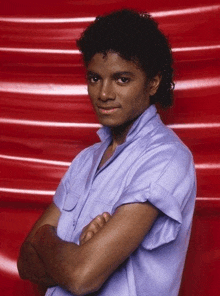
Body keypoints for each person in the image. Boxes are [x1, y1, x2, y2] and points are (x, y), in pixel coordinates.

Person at [17, 9, 196, 296]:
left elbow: (82, 277)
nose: (104, 93)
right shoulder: (85, 160)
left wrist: (44, 239)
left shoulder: (166, 159)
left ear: (153, 82)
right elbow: (25, 263)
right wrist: (76, 250)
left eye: (122, 79)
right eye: (94, 78)